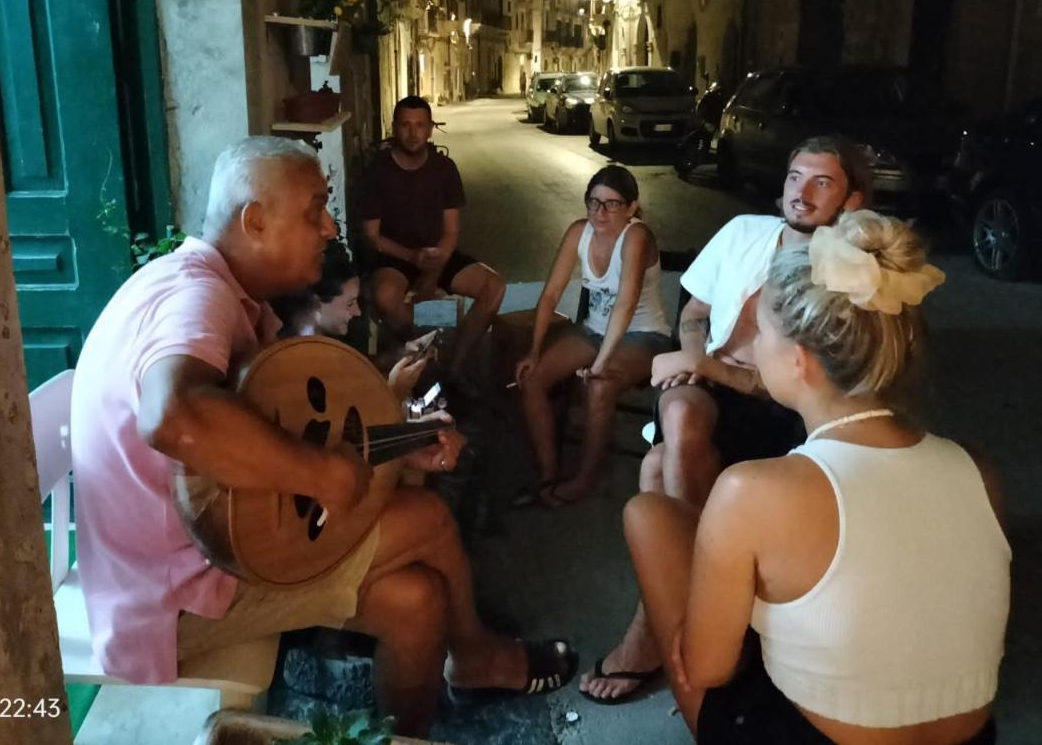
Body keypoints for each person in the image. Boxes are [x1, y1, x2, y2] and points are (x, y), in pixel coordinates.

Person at [70, 137, 576, 737]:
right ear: (254, 220)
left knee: (416, 602)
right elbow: (176, 416)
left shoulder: (199, 283)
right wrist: (320, 475)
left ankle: (415, 720)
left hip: (202, 549)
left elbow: (274, 428)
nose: (330, 226)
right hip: (173, 592)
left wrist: (393, 439)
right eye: (313, 208)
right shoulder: (196, 298)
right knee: (426, 520)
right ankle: (477, 658)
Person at [626, 209, 1009, 743]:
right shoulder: (978, 471)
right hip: (974, 739)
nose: (753, 348)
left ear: (800, 362)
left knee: (647, 513)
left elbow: (707, 669)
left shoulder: (751, 492)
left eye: (760, 332)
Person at [582, 135, 872, 703]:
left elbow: (813, 387)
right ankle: (710, 628)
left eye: (822, 182)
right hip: (708, 387)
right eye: (795, 177)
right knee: (683, 412)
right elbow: (694, 313)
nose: (801, 193)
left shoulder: (848, 276)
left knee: (658, 469)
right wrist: (701, 357)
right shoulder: (744, 233)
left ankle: (658, 630)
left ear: (852, 202)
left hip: (780, 409)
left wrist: (704, 367)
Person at [513, 166, 671, 507]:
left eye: (612, 204)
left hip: (643, 336)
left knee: (599, 385)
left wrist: (599, 365)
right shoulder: (578, 232)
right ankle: (549, 472)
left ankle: (584, 480)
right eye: (594, 202)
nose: (600, 212)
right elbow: (551, 294)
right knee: (532, 377)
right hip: (593, 331)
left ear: (631, 208)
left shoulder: (637, 236)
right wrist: (534, 350)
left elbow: (626, 305)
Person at [360, 95, 506, 385]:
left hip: (439, 252)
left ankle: (456, 365)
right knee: (386, 296)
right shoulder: (377, 171)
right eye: (405, 125)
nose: (413, 133)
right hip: (395, 255)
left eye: (420, 125)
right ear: (394, 128)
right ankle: (423, 350)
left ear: (430, 129)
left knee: (494, 286)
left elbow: (451, 231)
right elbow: (372, 236)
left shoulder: (444, 168)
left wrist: (433, 272)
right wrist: (413, 259)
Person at [269, 238, 432, 400]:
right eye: (349, 304)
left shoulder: (331, 342)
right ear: (317, 304)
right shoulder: (294, 365)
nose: (357, 312)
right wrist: (395, 391)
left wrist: (400, 356)